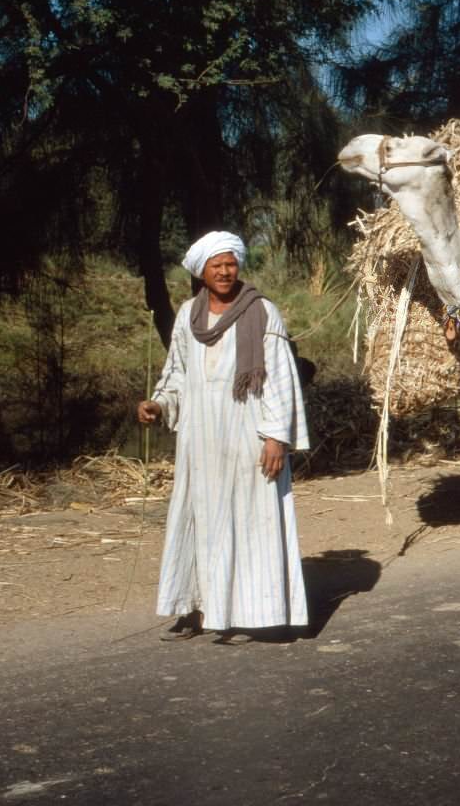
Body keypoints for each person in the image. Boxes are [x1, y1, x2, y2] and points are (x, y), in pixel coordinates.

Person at [137, 231, 310, 640]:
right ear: (201, 272)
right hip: (201, 440)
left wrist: (275, 437)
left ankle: (251, 613)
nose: (225, 271)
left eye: (230, 263)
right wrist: (158, 404)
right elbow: (176, 372)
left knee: (250, 520)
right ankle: (194, 609)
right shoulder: (187, 315)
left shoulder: (263, 312)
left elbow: (280, 378)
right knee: (197, 520)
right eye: (216, 265)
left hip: (248, 435)